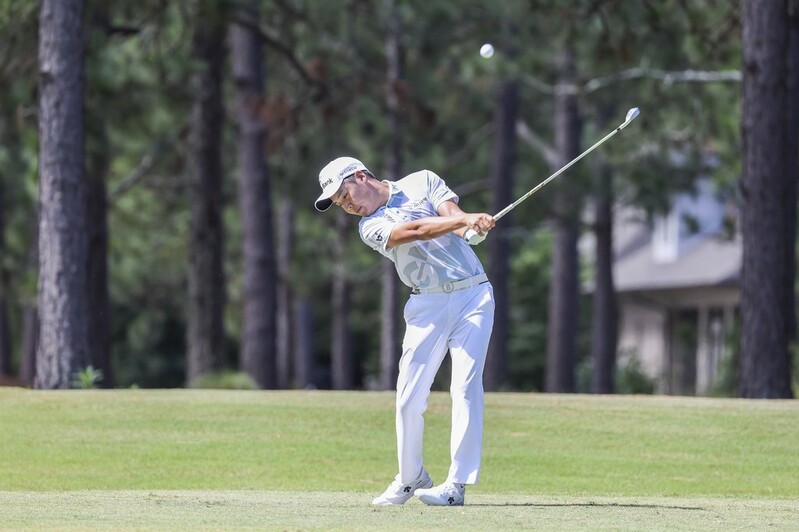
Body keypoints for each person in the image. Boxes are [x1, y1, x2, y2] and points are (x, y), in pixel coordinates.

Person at [314, 156, 496, 507]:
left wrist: (473, 228)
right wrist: (464, 221)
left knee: (465, 387)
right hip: (426, 305)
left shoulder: (422, 181)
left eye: (344, 194)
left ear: (360, 176)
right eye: (338, 203)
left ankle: (456, 485)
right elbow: (412, 232)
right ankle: (411, 477)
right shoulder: (370, 226)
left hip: (473, 295)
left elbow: (455, 219)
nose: (346, 205)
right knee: (409, 397)